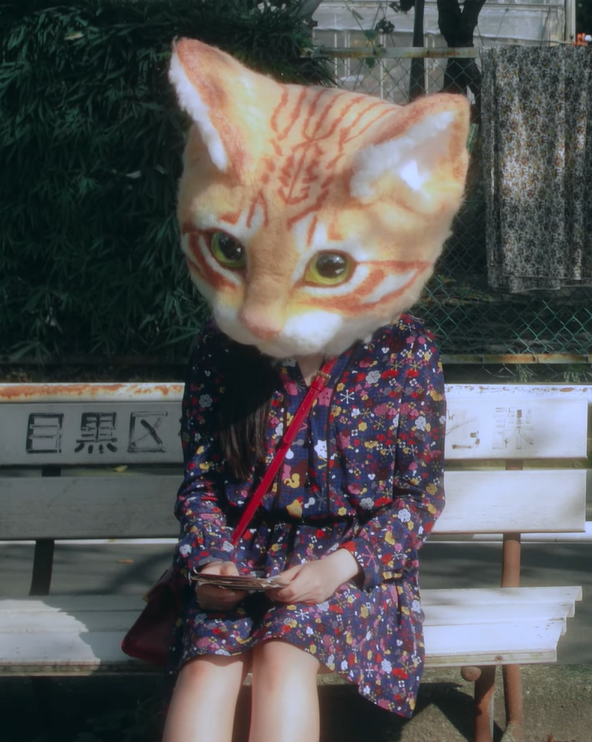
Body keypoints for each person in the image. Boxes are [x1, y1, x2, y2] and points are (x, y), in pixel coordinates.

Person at [158, 39, 468, 742]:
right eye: (235, 253)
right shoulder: (220, 350)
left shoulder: (403, 350)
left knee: (284, 652)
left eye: (325, 264)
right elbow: (202, 482)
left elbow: (422, 496)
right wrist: (211, 560)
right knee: (209, 660)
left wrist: (341, 565)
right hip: (242, 560)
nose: (263, 314)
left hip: (351, 569)